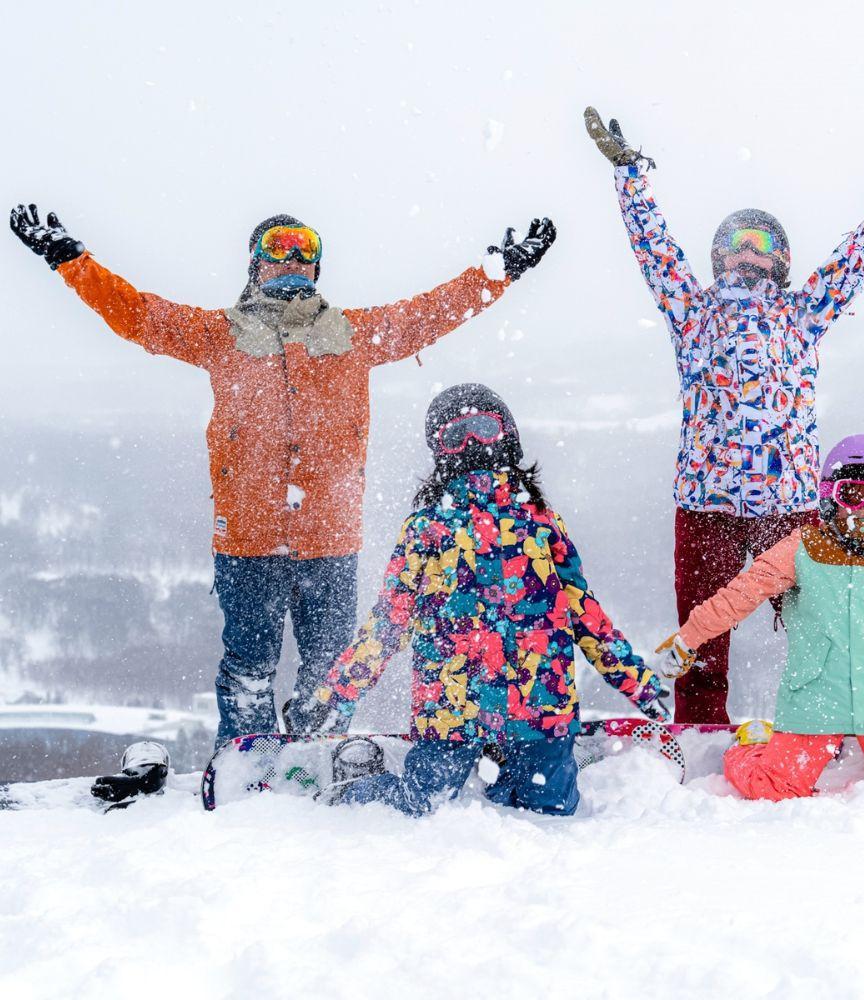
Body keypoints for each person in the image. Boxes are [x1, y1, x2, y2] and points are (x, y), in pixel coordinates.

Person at [10, 206, 556, 747]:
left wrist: (498, 272)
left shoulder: (353, 335)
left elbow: (432, 312)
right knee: (249, 669)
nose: (292, 256)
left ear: (318, 266)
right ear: (255, 264)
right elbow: (138, 315)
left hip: (330, 542)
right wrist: (71, 260)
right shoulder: (219, 334)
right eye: (277, 246)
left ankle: (315, 762)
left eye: (304, 247)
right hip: (248, 541)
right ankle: (247, 769)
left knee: (331, 672)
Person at [584, 107, 864, 724]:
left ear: (782, 261)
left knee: (831, 622)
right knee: (703, 635)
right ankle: (700, 728)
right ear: (717, 256)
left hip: (787, 508)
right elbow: (653, 250)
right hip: (706, 503)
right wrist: (629, 174)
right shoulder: (693, 310)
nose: (749, 256)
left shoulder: (802, 313)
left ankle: (843, 716)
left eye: (762, 247)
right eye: (738, 244)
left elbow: (855, 260)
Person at [299, 383, 668, 816]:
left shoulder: (540, 522)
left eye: (483, 428)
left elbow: (585, 613)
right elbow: (390, 621)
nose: (471, 443)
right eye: (456, 436)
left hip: (537, 706)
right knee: (421, 807)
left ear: (506, 435)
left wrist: (636, 681)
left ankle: (512, 780)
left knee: (550, 815)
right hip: (453, 708)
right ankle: (359, 788)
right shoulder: (427, 528)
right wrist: (338, 692)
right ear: (440, 451)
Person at [655, 435, 864, 800]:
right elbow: (738, 597)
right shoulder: (802, 549)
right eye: (852, 496)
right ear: (831, 495)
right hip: (816, 700)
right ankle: (752, 745)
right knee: (774, 789)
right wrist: (688, 638)